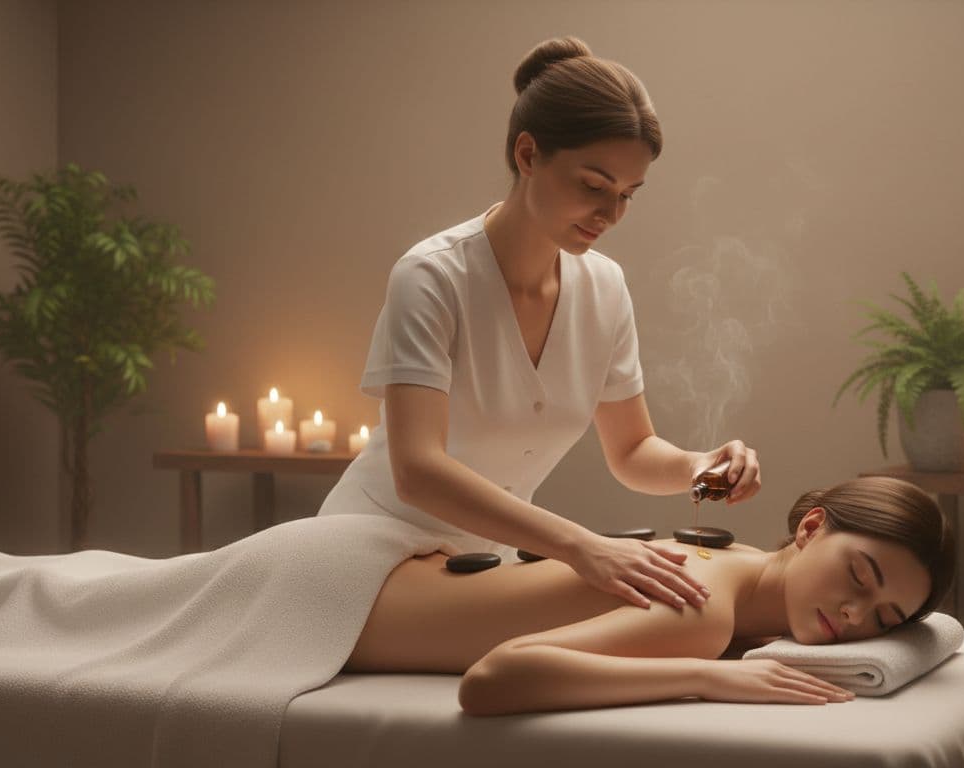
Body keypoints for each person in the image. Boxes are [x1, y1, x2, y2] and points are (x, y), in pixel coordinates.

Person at [318, 35, 762, 612]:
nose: (611, 214)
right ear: (527, 155)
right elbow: (418, 472)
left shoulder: (604, 289)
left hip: (483, 567)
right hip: (367, 554)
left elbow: (631, 451)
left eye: (629, 194)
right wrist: (582, 546)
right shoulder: (431, 277)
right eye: (593, 186)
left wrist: (699, 468)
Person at [343, 476, 956, 716]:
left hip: (375, 561)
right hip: (334, 598)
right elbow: (491, 680)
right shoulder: (704, 611)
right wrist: (707, 677)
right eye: (859, 576)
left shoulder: (741, 563)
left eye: (885, 619)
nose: (855, 616)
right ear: (812, 527)